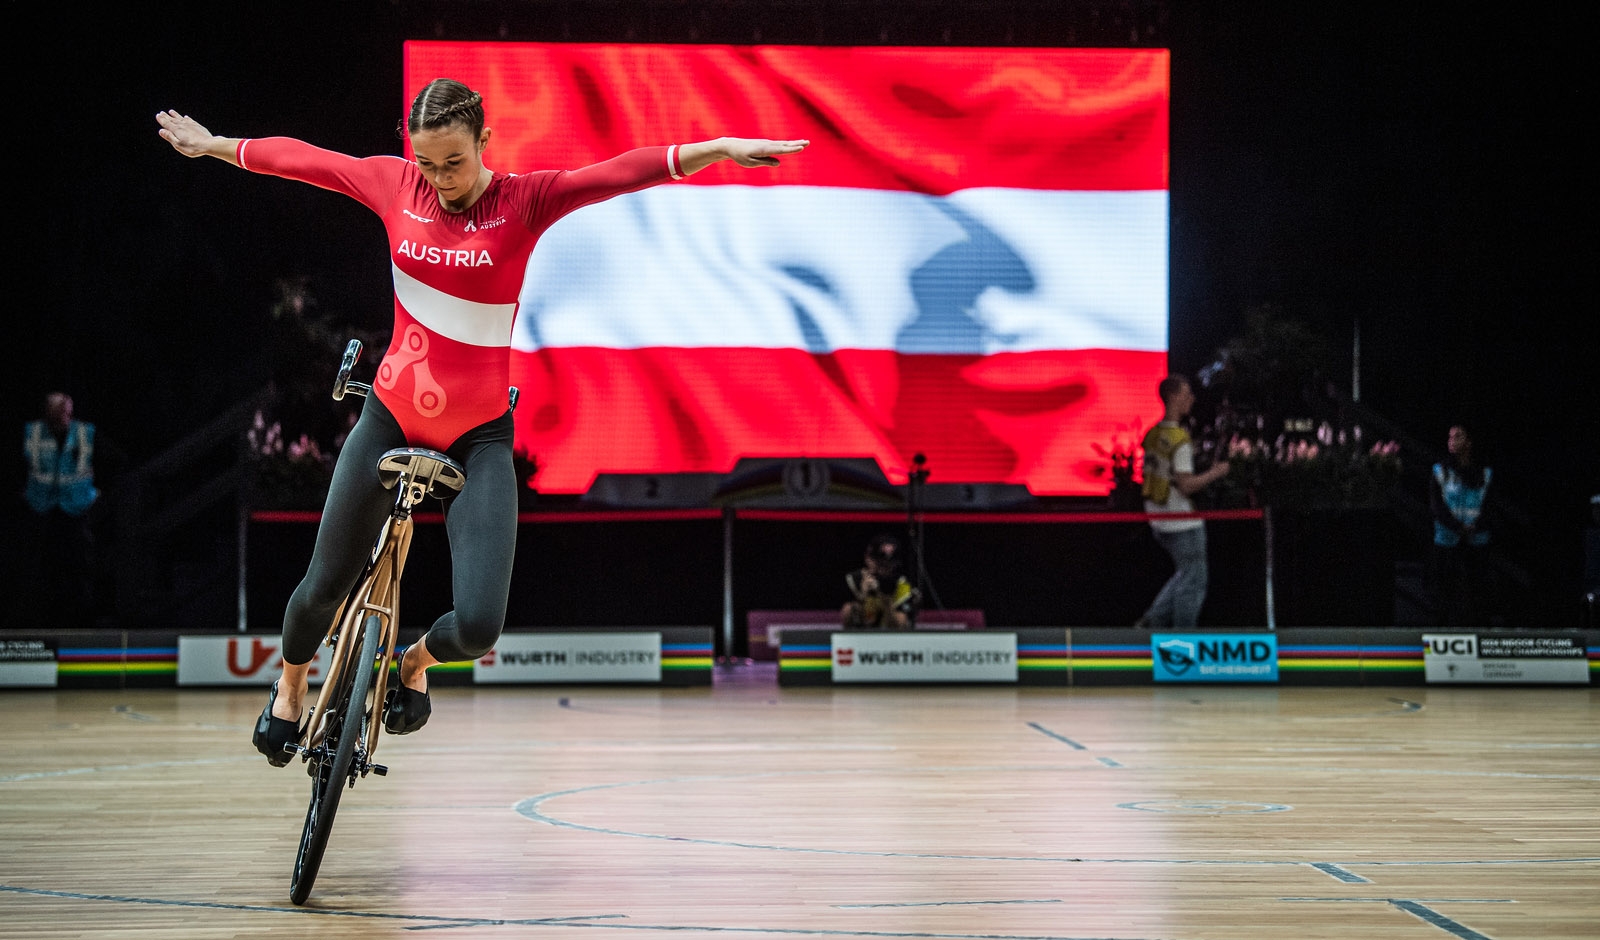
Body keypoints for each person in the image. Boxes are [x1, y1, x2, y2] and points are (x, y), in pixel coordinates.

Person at [158, 80, 808, 765]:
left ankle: (408, 665)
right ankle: (289, 690)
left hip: (479, 439)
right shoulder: (393, 184)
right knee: (321, 590)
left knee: (477, 627)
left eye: (454, 163)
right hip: (389, 421)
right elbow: (304, 159)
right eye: (429, 164)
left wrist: (721, 150)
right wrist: (215, 147)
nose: (439, 180)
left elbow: (621, 171)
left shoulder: (525, 201)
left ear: (485, 143)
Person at [1133, 374, 1231, 629]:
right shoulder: (1179, 440)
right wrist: (1216, 473)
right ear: (1174, 397)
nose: (1192, 399)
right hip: (1181, 522)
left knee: (1185, 573)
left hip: (1157, 519)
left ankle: (1151, 622)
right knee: (1194, 580)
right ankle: (1184, 638)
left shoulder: (1153, 434)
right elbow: (1186, 485)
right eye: (1187, 393)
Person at [20, 392, 102, 629]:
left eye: (68, 411)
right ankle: (42, 621)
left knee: (79, 569)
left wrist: (96, 490)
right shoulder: (34, 433)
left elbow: (113, 459)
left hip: (75, 513)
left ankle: (83, 622)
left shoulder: (84, 433)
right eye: (60, 411)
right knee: (44, 570)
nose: (66, 416)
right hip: (43, 511)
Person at [1429, 423, 1493, 627]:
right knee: (1445, 591)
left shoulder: (1485, 473)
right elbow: (1436, 505)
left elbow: (1490, 505)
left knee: (1478, 591)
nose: (1452, 441)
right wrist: (1457, 527)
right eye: (1450, 437)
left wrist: (1477, 526)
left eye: (1458, 436)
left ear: (1469, 441)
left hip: (1477, 540)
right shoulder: (1440, 471)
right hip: (1447, 540)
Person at [841, 533, 920, 629]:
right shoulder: (854, 580)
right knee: (848, 608)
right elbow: (848, 620)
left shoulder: (903, 584)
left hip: (892, 637)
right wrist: (862, 597)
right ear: (868, 559)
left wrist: (884, 597)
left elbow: (901, 625)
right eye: (881, 564)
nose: (885, 570)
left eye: (889, 565)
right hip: (861, 636)